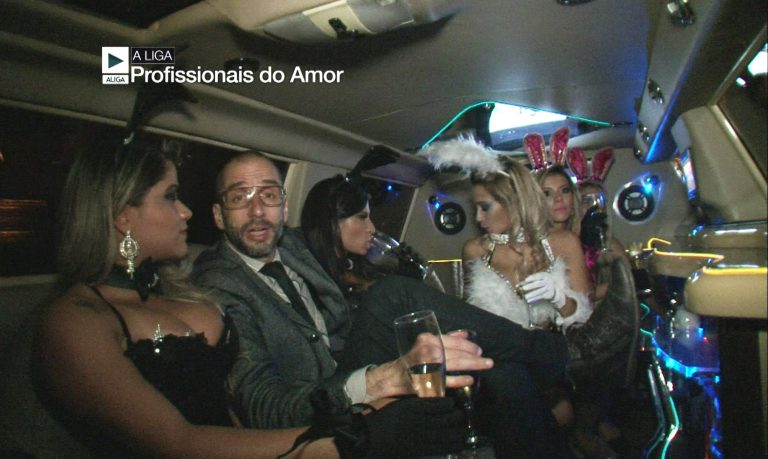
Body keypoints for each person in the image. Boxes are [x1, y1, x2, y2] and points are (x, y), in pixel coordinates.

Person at [33, 140, 465, 459]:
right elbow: (183, 442)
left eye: (270, 196)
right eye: (171, 197)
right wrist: (352, 438)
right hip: (295, 433)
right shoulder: (78, 320)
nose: (185, 212)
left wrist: (376, 404)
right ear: (123, 216)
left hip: (321, 416)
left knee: (403, 309)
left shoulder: (179, 293)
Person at [194, 151, 579, 457]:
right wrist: (381, 379)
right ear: (217, 215)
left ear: (283, 206)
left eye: (268, 195)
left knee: (503, 374)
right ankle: (557, 356)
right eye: (238, 198)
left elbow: (346, 247)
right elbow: (264, 408)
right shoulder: (218, 284)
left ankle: (546, 368)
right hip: (318, 410)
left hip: (352, 367)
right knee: (391, 294)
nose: (257, 211)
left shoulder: (294, 245)